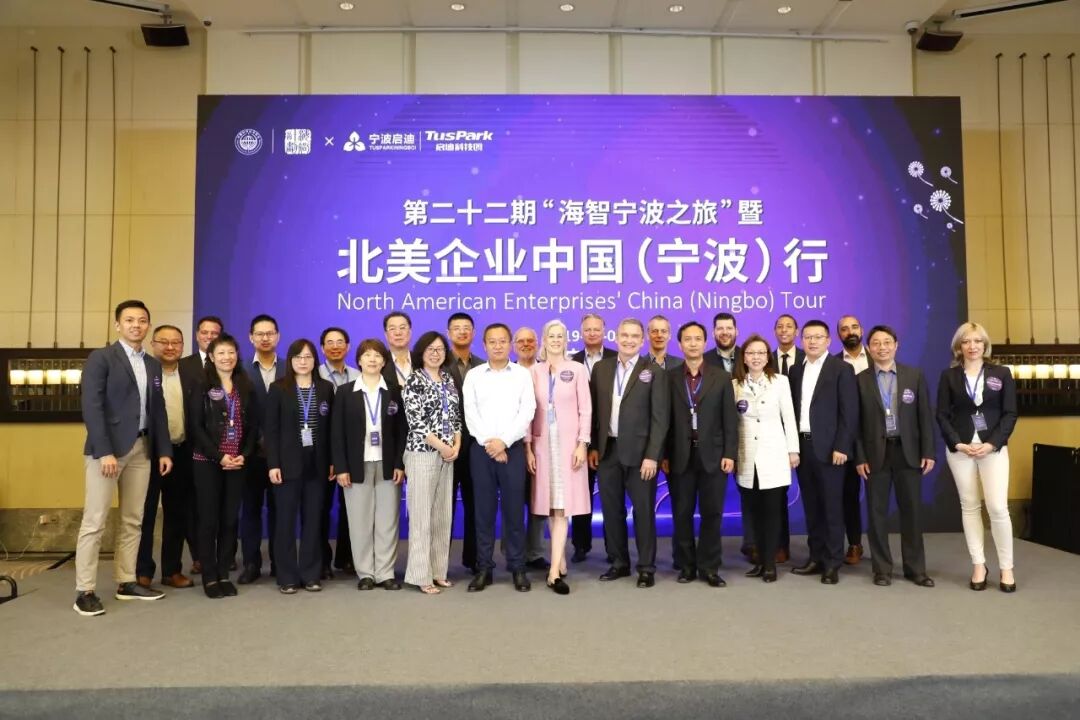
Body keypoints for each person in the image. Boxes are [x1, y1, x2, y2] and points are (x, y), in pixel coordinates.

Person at [73, 300, 173, 616]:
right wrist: (104, 450)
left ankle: (126, 581)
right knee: (95, 521)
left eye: (142, 320)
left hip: (143, 449)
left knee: (133, 519)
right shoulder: (102, 358)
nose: (136, 325)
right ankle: (85, 590)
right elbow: (92, 407)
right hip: (107, 451)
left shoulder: (152, 364)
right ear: (118, 324)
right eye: (129, 320)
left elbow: (158, 410)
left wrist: (164, 450)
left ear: (148, 326)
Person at [936, 322, 1018, 593]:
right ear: (958, 347)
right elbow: (942, 415)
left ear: (985, 345)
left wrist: (992, 443)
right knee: (969, 506)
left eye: (977, 341)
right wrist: (957, 443)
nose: (972, 346)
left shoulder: (1002, 373)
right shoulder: (949, 376)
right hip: (961, 450)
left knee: (998, 508)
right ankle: (979, 565)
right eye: (966, 341)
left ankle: (1006, 567)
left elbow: (1010, 413)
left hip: (992, 449)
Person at [854, 325, 936, 588]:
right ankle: (882, 569)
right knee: (876, 514)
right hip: (875, 455)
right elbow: (855, 424)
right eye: (876, 343)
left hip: (908, 452)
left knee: (912, 512)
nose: (882, 347)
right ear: (869, 348)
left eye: (887, 342)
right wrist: (859, 457)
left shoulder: (914, 375)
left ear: (896, 345)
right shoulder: (860, 380)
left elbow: (925, 416)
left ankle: (915, 569)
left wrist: (928, 451)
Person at [590, 318, 669, 588]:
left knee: (644, 512)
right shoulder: (601, 368)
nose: (629, 340)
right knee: (612, 510)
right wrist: (593, 446)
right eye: (624, 335)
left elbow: (660, 419)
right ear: (616, 337)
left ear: (642, 340)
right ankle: (619, 562)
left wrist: (652, 456)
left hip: (641, 455)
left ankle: (646, 567)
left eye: (635, 336)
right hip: (608, 451)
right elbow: (594, 413)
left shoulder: (654, 371)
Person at [463, 323, 537, 592]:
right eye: (492, 342)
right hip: (481, 450)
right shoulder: (474, 375)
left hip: (513, 450)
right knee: (483, 512)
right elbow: (470, 413)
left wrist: (504, 442)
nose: (497, 346)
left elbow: (527, 411)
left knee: (514, 512)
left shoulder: (521, 375)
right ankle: (484, 567)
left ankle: (518, 567)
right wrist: (491, 444)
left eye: (502, 341)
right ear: (484, 345)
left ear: (510, 345)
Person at [664, 321, 738, 588]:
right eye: (688, 339)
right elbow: (664, 420)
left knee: (712, 513)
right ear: (680, 344)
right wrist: (663, 455)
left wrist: (730, 453)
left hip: (713, 456)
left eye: (697, 339)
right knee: (681, 513)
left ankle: (709, 567)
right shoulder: (670, 377)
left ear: (705, 343)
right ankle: (686, 565)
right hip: (679, 455)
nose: (693, 343)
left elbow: (730, 419)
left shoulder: (721, 377)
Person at [332, 339, 407, 592]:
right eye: (367, 355)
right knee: (359, 521)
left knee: (388, 521)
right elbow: (336, 433)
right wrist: (341, 467)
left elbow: (402, 431)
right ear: (359, 360)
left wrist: (400, 463)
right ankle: (365, 572)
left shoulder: (394, 391)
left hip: (387, 465)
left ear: (384, 361)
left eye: (377, 355)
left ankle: (385, 572)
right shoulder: (345, 392)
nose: (372, 359)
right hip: (356, 464)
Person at [524, 320, 592, 594]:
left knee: (563, 507)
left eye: (559, 336)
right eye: (550, 335)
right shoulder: (534, 371)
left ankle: (553, 572)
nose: (555, 340)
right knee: (552, 506)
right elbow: (528, 411)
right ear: (544, 339)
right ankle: (560, 557)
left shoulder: (577, 369)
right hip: (542, 446)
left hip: (568, 446)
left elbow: (586, 409)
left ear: (566, 340)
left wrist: (582, 444)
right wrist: (528, 447)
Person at [789, 320, 859, 585]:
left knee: (832, 507)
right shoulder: (796, 370)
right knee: (812, 506)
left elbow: (849, 412)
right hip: (803, 447)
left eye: (818, 337)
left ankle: (832, 562)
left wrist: (842, 446)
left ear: (828, 340)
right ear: (802, 340)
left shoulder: (841, 369)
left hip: (831, 450)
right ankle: (816, 557)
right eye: (808, 337)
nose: (813, 341)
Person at [188, 334, 257, 599]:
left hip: (237, 462)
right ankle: (209, 576)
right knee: (209, 520)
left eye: (231, 352)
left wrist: (244, 455)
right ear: (212, 357)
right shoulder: (201, 384)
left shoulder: (245, 385)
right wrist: (219, 456)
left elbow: (253, 427)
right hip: (208, 462)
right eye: (221, 353)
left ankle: (224, 574)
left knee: (230, 519)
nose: (227, 357)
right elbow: (195, 427)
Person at [265, 339, 335, 594]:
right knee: (285, 521)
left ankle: (311, 574)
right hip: (287, 464)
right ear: (291, 361)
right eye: (298, 357)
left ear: (315, 360)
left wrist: (332, 461)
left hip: (317, 464)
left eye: (308, 357)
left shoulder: (325, 388)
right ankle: (286, 576)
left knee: (313, 520)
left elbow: (331, 430)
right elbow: (271, 430)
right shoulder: (279, 388)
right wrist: (273, 463)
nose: (303, 362)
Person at [733, 335, 799, 584]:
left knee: (772, 512)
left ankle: (770, 564)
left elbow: (789, 418)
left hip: (774, 454)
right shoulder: (735, 385)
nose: (756, 357)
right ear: (744, 357)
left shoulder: (780, 382)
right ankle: (760, 560)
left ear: (767, 357)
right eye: (751, 353)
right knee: (753, 512)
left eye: (761, 353)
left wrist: (793, 451)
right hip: (746, 455)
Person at [136, 324, 197, 591]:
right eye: (164, 342)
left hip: (181, 451)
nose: (170, 347)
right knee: (146, 513)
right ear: (153, 344)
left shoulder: (191, 374)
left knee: (177, 514)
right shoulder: (145, 371)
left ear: (183, 346)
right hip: (148, 451)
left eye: (176, 342)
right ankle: (142, 571)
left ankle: (172, 570)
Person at [401, 331, 462, 594]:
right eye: (430, 349)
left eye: (440, 349)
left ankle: (438, 571)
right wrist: (442, 446)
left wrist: (456, 444)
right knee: (422, 517)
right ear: (421, 352)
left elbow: (456, 416)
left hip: (448, 454)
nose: (436, 354)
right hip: (422, 453)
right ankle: (420, 575)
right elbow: (416, 423)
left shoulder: (448, 378)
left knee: (442, 516)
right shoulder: (414, 380)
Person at [238, 314, 284, 584]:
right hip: (250, 453)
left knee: (281, 511)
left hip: (282, 454)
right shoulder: (240, 369)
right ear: (251, 337)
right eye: (260, 334)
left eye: (270, 333)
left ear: (277, 336)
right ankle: (251, 564)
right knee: (251, 510)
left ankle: (280, 562)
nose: (265, 338)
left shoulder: (290, 368)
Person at [569, 313, 616, 563]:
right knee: (581, 496)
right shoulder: (571, 361)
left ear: (604, 331)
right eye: (587, 329)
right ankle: (580, 545)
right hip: (579, 440)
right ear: (581, 332)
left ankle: (613, 548)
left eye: (596, 329)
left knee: (611, 498)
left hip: (609, 440)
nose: (592, 333)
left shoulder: (617, 358)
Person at [318, 327, 360, 577]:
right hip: (321, 449)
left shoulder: (358, 375)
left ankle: (347, 557)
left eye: (340, 342)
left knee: (350, 507)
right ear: (322, 348)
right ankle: (322, 559)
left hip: (351, 449)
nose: (335, 346)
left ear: (348, 346)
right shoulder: (314, 374)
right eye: (330, 342)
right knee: (321, 506)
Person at [763, 313, 804, 564]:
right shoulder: (765, 360)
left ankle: (818, 549)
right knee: (777, 495)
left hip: (806, 435)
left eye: (789, 326)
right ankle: (780, 545)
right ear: (775, 331)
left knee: (813, 493)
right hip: (772, 438)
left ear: (796, 332)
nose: (784, 330)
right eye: (780, 326)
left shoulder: (808, 358)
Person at [447, 312, 483, 573]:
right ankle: (439, 562)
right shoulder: (437, 362)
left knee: (476, 505)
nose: (462, 332)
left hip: (475, 445)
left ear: (473, 333)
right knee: (443, 507)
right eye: (457, 328)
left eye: (466, 328)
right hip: (446, 446)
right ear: (449, 333)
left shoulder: (483, 365)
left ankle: (474, 559)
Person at [513, 326, 550, 570]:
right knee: (514, 501)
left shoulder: (547, 371)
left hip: (543, 445)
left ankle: (535, 552)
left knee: (539, 500)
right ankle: (514, 552)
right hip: (512, 445)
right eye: (521, 341)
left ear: (537, 344)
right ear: (514, 345)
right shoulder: (506, 372)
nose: (526, 344)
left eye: (530, 340)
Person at [836, 314, 869, 565]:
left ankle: (880, 550)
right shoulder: (833, 364)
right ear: (838, 335)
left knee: (878, 497)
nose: (850, 332)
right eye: (845, 329)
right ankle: (854, 543)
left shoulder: (879, 358)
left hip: (877, 438)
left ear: (862, 330)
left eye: (854, 327)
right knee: (848, 495)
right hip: (847, 438)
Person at [179, 315, 223, 388]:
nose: (209, 336)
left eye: (214, 333)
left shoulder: (230, 365)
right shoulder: (181, 365)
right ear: (197, 335)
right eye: (204, 332)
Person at [383, 311, 414, 391]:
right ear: (386, 335)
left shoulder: (422, 361)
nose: (398, 333)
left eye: (402, 328)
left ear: (410, 332)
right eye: (392, 329)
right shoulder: (379, 363)